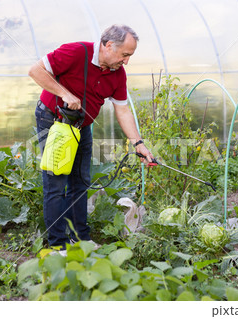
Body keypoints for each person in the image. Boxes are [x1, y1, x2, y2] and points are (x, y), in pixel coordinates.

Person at [28, 24, 153, 252]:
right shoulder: (76, 52)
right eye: (125, 55)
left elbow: (123, 110)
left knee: (80, 182)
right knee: (56, 182)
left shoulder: (118, 74)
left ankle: (80, 238)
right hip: (53, 120)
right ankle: (58, 245)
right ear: (107, 46)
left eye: (129, 56)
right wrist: (64, 93)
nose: (126, 62)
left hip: (81, 126)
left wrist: (139, 143)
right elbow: (35, 71)